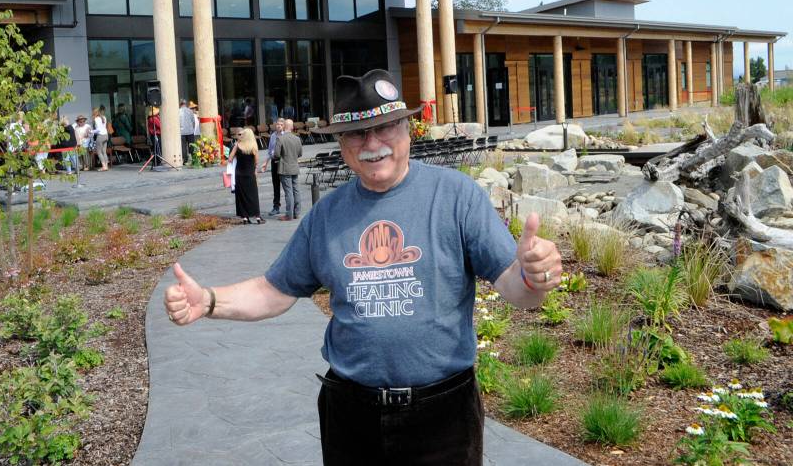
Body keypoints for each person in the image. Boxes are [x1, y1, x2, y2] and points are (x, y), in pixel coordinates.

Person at [163, 69, 562, 465]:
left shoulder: (456, 197)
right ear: (342, 142)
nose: (372, 143)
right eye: (357, 133)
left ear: (407, 128)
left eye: (385, 127)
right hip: (351, 416)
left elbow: (515, 287)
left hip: (443, 415)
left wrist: (534, 276)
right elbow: (274, 290)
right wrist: (209, 301)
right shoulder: (326, 217)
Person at [227, 127, 264, 224]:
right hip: (250, 174)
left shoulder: (237, 145)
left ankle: (244, 217)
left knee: (241, 196)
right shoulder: (253, 147)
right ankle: (257, 217)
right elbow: (256, 162)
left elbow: (230, 159)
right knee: (253, 195)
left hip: (239, 174)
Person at [277, 118, 302, 221]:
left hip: (285, 168)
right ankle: (297, 213)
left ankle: (289, 214)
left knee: (288, 192)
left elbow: (276, 154)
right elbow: (300, 153)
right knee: (296, 190)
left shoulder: (280, 138)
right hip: (294, 167)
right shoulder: (297, 139)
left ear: (284, 126)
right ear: (291, 127)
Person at [259, 119, 285, 216]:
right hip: (274, 162)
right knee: (276, 185)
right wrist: (265, 163)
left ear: (284, 126)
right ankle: (276, 206)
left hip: (283, 162)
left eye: (281, 124)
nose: (278, 126)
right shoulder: (273, 136)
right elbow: (270, 151)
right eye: (277, 124)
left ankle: (290, 207)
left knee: (286, 185)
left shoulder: (285, 135)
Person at [179, 100, 197, 164]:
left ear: (180, 104)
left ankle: (185, 160)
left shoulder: (178, 111)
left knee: (183, 147)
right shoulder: (190, 111)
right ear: (185, 104)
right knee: (191, 146)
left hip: (182, 132)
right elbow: (193, 122)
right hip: (190, 131)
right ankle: (194, 159)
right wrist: (192, 129)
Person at [92, 107, 110, 171]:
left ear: (95, 112)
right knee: (104, 152)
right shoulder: (104, 117)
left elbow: (98, 130)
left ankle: (103, 166)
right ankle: (106, 166)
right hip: (106, 135)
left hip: (100, 136)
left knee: (99, 152)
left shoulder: (96, 119)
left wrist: (91, 131)